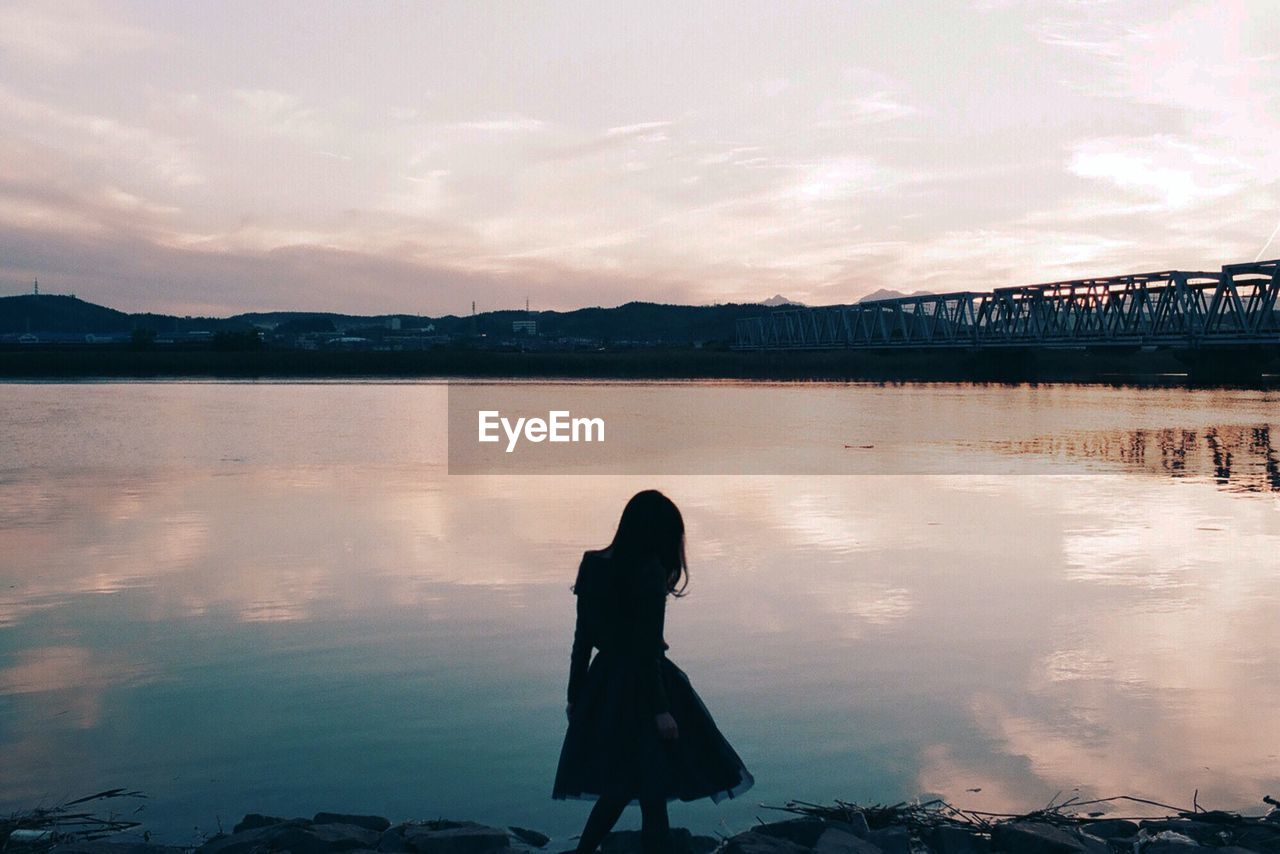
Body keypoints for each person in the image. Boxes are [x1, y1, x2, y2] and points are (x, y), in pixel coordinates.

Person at [552, 490, 754, 854]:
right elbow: (645, 649)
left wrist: (575, 695)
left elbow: (582, 641)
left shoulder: (593, 563)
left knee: (631, 783)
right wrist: (661, 710)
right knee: (648, 785)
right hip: (644, 688)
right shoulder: (649, 571)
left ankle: (586, 852)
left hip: (605, 685)